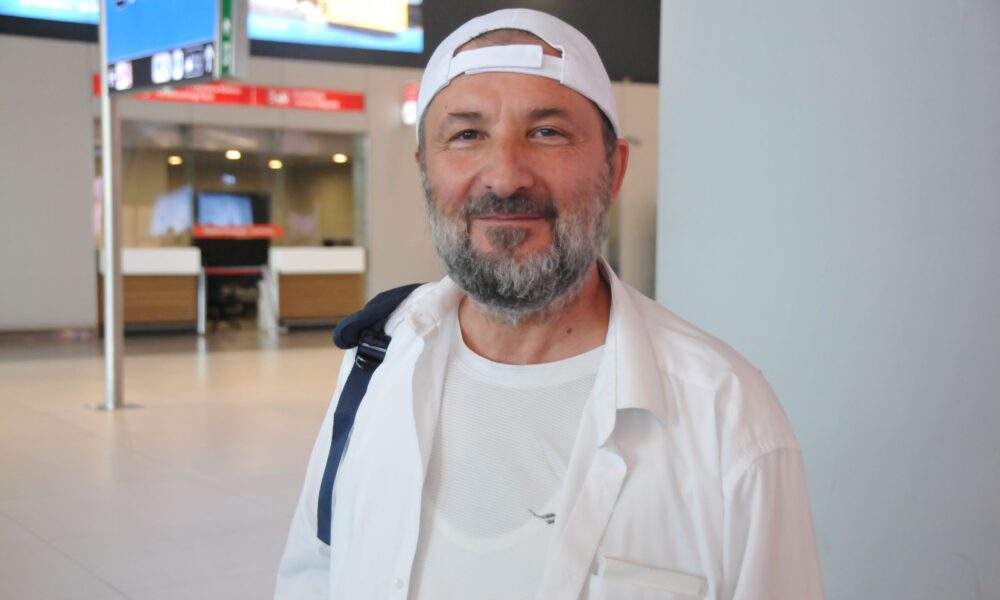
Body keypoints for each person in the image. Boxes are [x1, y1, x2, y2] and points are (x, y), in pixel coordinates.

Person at [275, 8, 823, 599]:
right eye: (467, 135)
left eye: (547, 133)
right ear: (425, 172)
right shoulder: (379, 360)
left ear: (614, 171)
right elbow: (312, 573)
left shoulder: (727, 417)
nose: (505, 177)